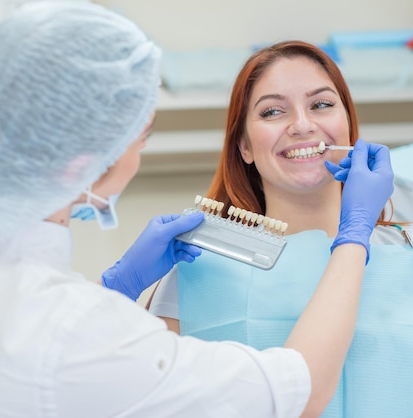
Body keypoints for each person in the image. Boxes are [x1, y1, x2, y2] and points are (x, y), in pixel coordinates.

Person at [0, 5, 393, 417]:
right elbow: (297, 391)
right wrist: (353, 237)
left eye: (323, 104)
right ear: (90, 159)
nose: (303, 125)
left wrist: (116, 290)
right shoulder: (89, 331)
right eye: (142, 134)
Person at [148, 40, 412, 417]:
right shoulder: (196, 266)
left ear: (349, 127)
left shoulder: (407, 250)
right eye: (272, 111)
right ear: (244, 147)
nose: (302, 125)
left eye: (321, 104)